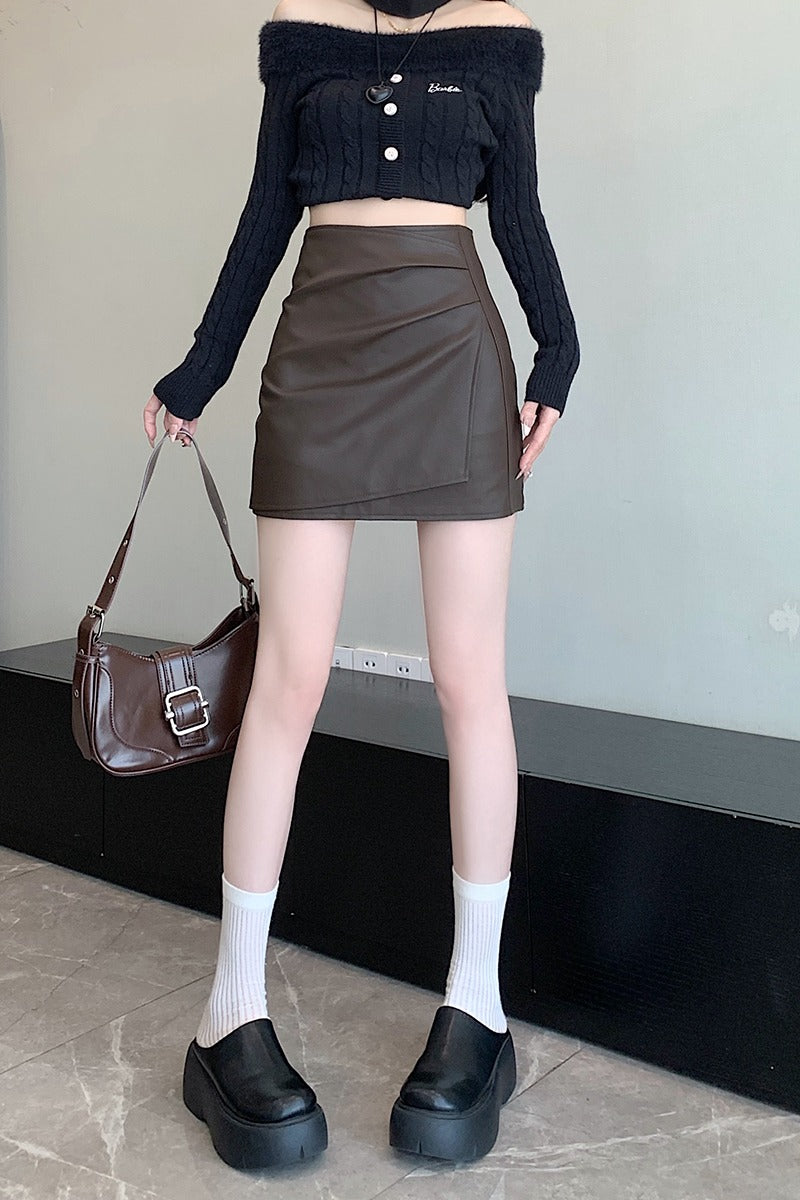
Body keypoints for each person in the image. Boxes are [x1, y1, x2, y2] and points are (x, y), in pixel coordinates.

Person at [142, 0, 579, 1172]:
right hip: (320, 350)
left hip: (454, 348)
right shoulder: (302, 26)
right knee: (286, 681)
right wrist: (202, 367)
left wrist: (557, 348)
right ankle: (228, 1010)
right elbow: (265, 207)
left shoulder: (496, 30)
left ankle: (476, 1008)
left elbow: (518, 206)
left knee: (469, 682)